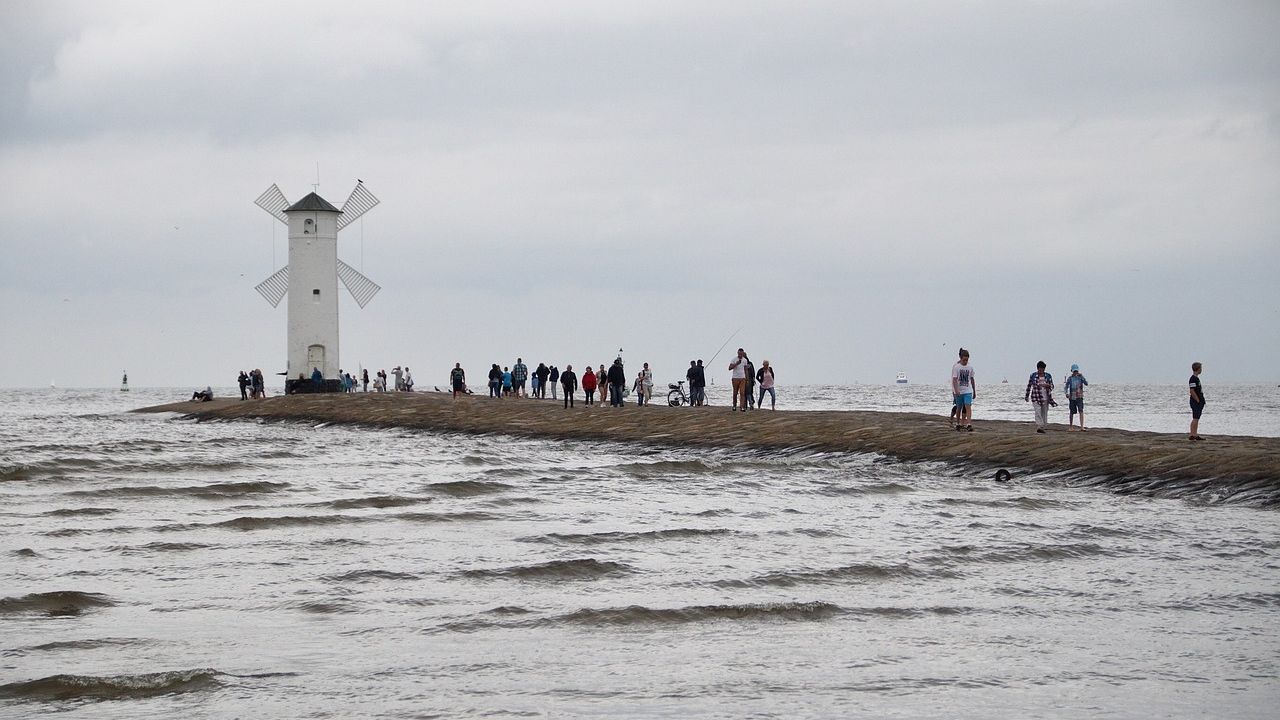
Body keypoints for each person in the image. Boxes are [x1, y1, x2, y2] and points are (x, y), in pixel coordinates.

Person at [1024, 360, 1056, 433]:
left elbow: (1052, 386)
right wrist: (1027, 396)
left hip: (1046, 397)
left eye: (1043, 369)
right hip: (1036, 396)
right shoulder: (1033, 375)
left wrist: (1048, 386)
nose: (1041, 370)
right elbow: (1029, 386)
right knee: (1037, 411)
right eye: (1040, 369)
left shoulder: (1048, 376)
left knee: (1044, 412)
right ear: (1037, 368)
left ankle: (1043, 426)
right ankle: (1039, 425)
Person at [951, 349, 975, 431]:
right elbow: (954, 380)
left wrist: (974, 391)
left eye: (967, 360)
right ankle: (958, 423)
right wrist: (956, 391)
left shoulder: (970, 367)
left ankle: (968, 424)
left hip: (968, 390)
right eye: (964, 360)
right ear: (960, 358)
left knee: (968, 406)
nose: (965, 361)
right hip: (959, 391)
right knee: (959, 407)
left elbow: (972, 379)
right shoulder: (956, 367)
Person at [1064, 364, 1089, 431]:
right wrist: (1066, 394)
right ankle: (1071, 426)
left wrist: (1082, 377)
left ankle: (1082, 426)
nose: (1075, 372)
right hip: (1072, 397)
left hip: (1079, 396)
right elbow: (1066, 387)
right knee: (1072, 411)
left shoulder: (1080, 377)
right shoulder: (1070, 378)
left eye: (1076, 371)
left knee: (1081, 410)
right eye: (1074, 371)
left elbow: (1086, 383)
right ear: (1072, 371)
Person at [1189, 361, 1205, 441]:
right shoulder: (1193, 379)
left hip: (1199, 401)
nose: (1201, 370)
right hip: (1195, 402)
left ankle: (1194, 434)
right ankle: (1192, 434)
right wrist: (1198, 400)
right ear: (1198, 369)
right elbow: (1192, 391)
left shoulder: (1196, 378)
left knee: (1197, 418)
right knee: (1195, 418)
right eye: (1200, 368)